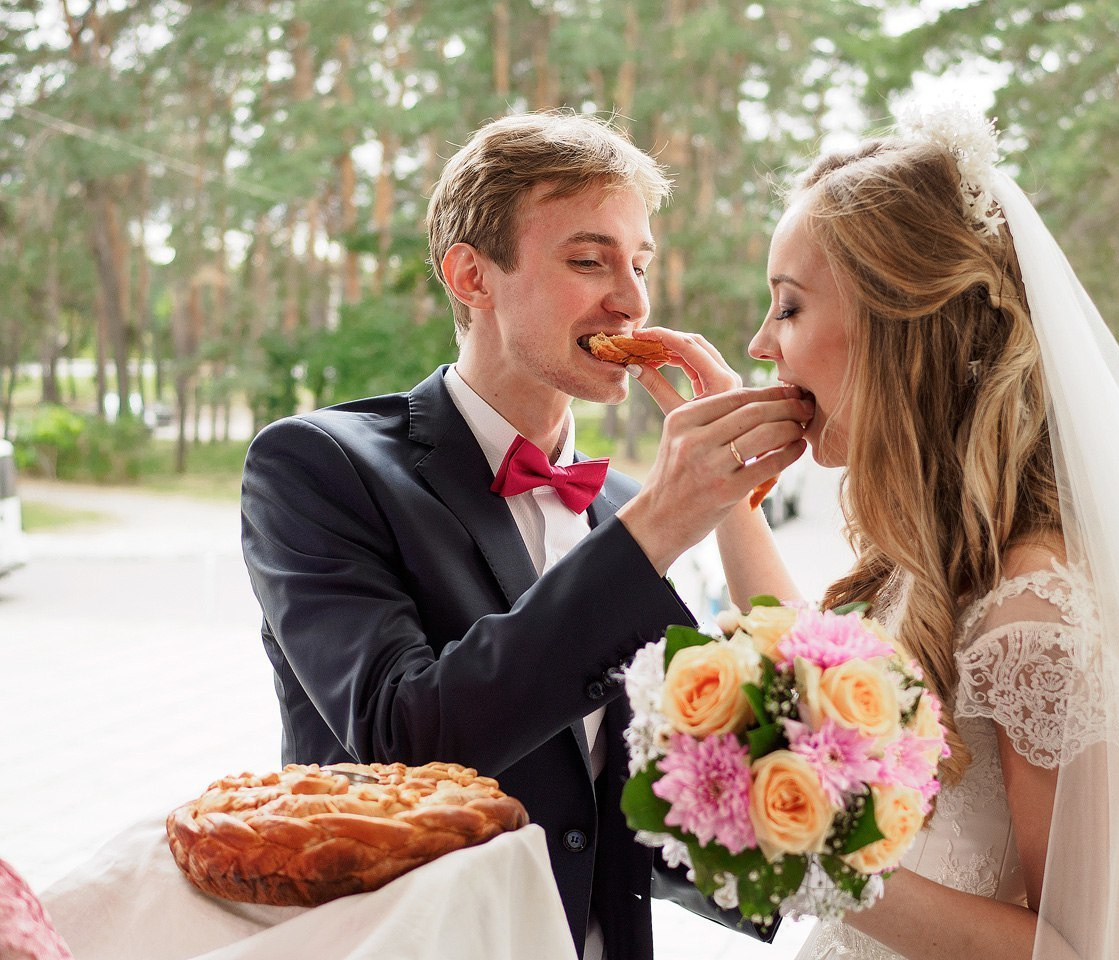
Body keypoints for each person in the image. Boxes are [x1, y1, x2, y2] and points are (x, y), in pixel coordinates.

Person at [628, 106, 1119, 959]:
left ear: (902, 328)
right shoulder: (936, 565)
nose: (759, 344)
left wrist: (816, 859)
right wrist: (727, 496)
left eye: (788, 308)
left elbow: (1085, 951)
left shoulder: (1032, 618)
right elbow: (816, 681)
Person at [239, 111, 811, 960]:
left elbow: (635, 802)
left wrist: (808, 852)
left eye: (640, 264)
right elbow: (405, 735)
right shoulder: (317, 466)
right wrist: (662, 520)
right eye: (589, 260)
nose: (632, 298)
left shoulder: (621, 507)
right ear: (472, 275)